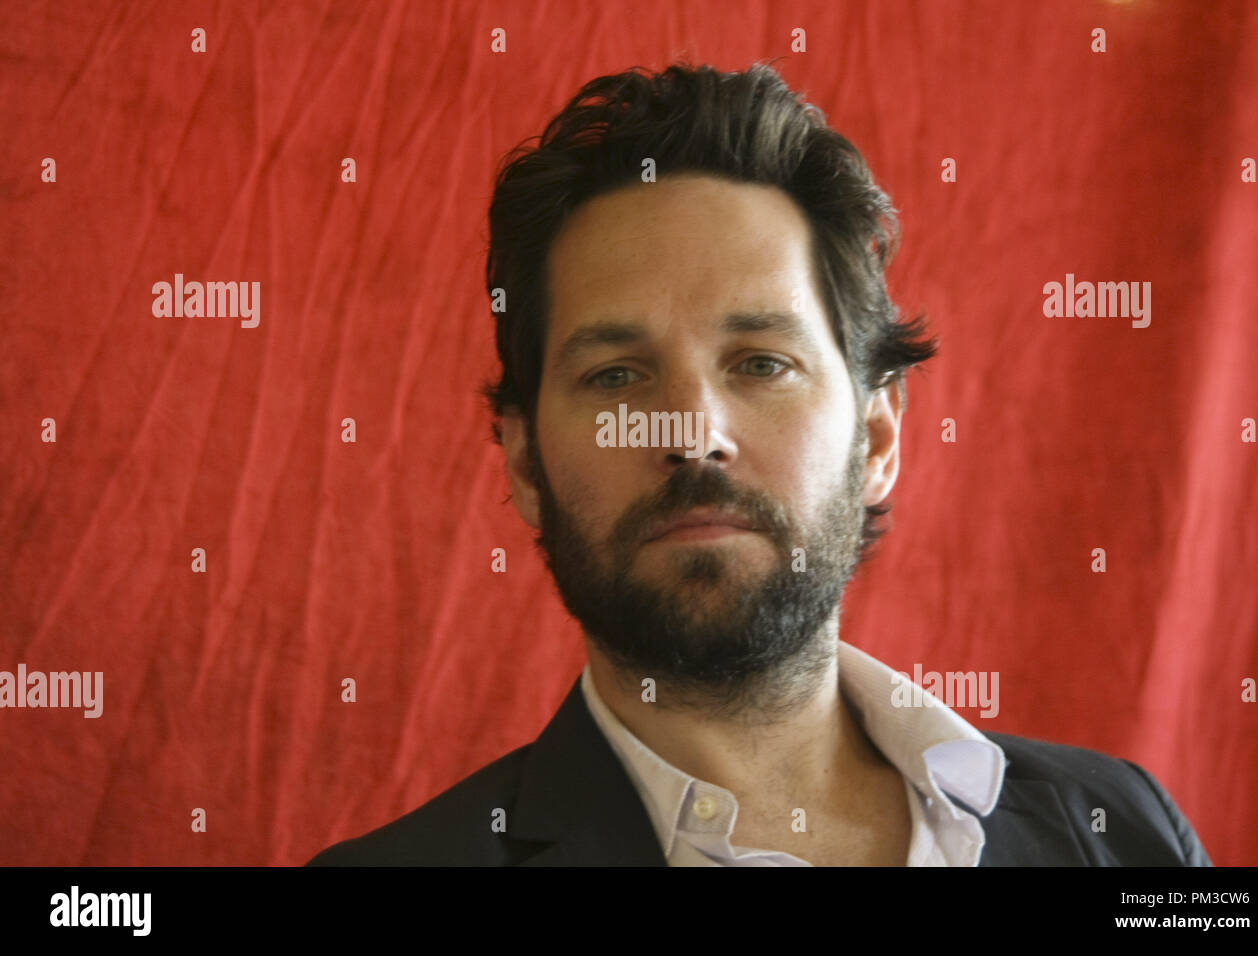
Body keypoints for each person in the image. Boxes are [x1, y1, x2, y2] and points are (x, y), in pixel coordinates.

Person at [308, 61, 1210, 867]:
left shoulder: (1127, 836)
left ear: (880, 438)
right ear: (525, 465)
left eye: (761, 364)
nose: (692, 434)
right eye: (616, 375)